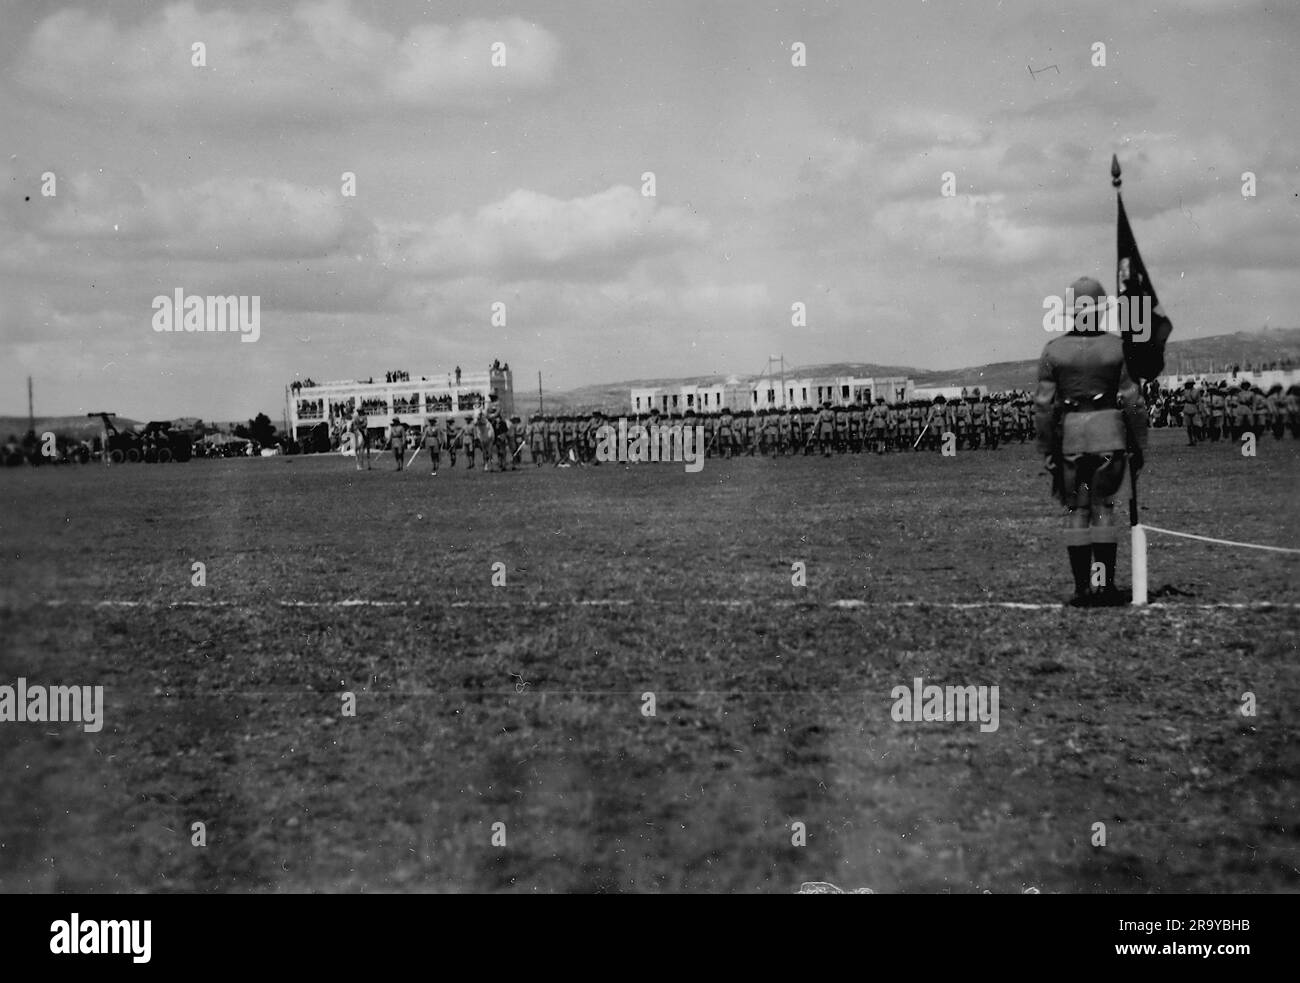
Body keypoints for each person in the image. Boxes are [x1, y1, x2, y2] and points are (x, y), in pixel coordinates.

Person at [1034, 275, 1147, 607]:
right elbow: (1132, 401)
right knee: (1104, 510)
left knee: (1077, 510)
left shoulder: (1053, 351)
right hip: (1108, 434)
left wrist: (1047, 448)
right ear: (1101, 310)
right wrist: (1138, 443)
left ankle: (1083, 588)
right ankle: (1106, 585)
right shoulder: (1118, 348)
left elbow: (1043, 407)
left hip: (1071, 437)